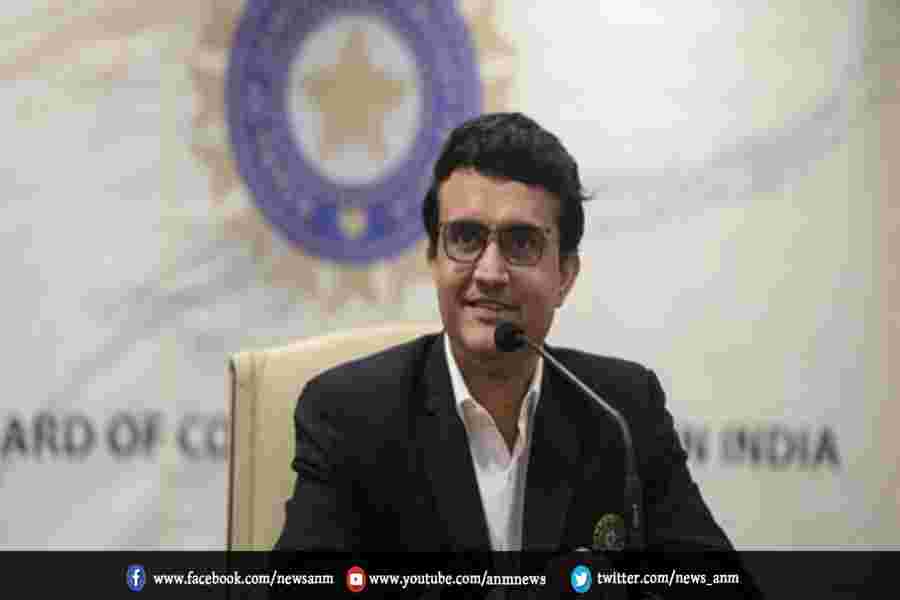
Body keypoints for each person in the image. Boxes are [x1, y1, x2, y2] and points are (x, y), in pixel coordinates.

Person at [274, 113, 761, 597]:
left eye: (521, 243)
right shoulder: (350, 415)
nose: (489, 272)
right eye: (465, 238)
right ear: (433, 259)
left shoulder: (620, 411)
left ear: (565, 275)